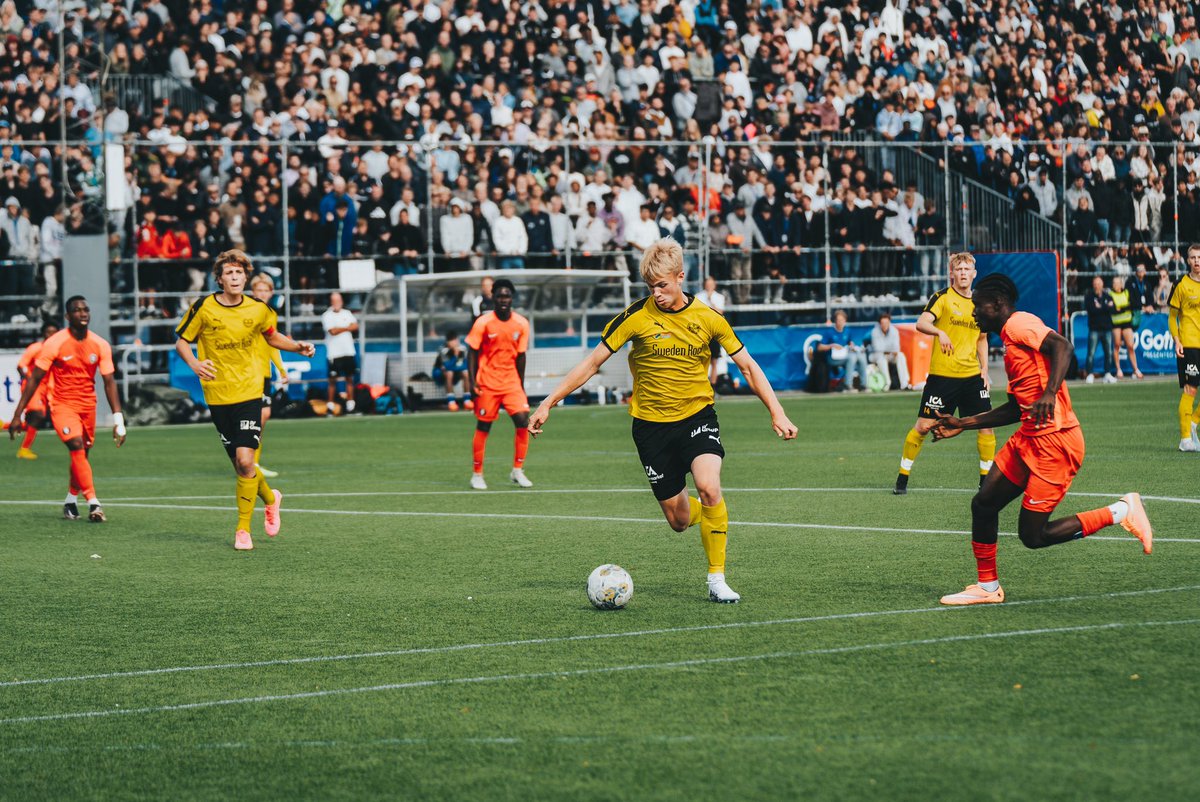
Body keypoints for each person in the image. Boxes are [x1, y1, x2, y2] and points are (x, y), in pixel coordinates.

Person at [529, 239, 798, 603]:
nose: (656, 293)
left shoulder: (708, 318)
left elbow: (748, 366)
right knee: (679, 521)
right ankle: (714, 515)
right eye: (650, 287)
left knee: (708, 486)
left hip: (697, 417)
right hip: (650, 428)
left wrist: (776, 411)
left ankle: (716, 578)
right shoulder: (635, 317)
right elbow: (592, 364)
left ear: (680, 277)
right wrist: (548, 402)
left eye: (662, 285)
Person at [930, 272, 1152, 605]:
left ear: (998, 304)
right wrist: (964, 422)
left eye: (978, 307)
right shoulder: (1008, 338)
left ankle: (1122, 511)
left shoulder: (1019, 323)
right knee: (984, 504)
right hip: (1029, 438)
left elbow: (1062, 345)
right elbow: (1016, 409)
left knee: (1033, 536)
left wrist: (1050, 393)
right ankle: (987, 588)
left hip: (1057, 444)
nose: (974, 313)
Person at [175, 250, 316, 550]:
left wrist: (297, 347)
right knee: (241, 468)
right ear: (220, 279)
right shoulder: (204, 307)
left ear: (246, 277)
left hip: (250, 391)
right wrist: (195, 364)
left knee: (245, 459)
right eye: (229, 273)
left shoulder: (258, 309)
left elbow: (272, 336)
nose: (235, 277)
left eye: (239, 273)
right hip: (217, 394)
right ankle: (270, 498)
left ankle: (243, 530)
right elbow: (182, 342)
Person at [8, 297, 125, 522]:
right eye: (76, 310)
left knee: (81, 454)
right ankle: (94, 503)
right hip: (62, 405)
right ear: (67, 316)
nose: (83, 313)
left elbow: (109, 381)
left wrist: (118, 421)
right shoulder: (55, 343)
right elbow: (34, 379)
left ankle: (71, 500)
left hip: (88, 405)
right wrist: (17, 415)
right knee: (76, 444)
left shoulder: (100, 344)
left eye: (85, 309)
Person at [894, 252, 994, 495]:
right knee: (924, 425)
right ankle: (902, 478)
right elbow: (921, 322)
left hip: (972, 376)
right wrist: (940, 332)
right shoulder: (942, 298)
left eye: (966, 269)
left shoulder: (980, 303)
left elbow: (982, 339)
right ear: (952, 273)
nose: (962, 273)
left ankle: (985, 482)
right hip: (943, 376)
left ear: (974, 274)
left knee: (986, 426)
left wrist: (985, 370)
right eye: (958, 269)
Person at [466, 278, 533, 490]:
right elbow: (472, 352)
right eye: (500, 295)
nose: (503, 299)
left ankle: (517, 470)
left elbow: (521, 356)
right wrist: (472, 382)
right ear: (493, 297)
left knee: (523, 421)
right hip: (487, 382)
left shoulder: (522, 323)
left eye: (507, 296)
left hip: (511, 382)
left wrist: (520, 385)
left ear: (512, 298)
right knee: (484, 426)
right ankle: (477, 474)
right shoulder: (483, 323)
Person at [250, 274, 288, 477]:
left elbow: (273, 343)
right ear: (253, 292)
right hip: (249, 371)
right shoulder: (246, 311)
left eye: (266, 291)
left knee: (263, 416)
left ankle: (252, 462)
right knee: (258, 416)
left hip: (264, 371)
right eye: (259, 290)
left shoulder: (271, 313)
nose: (262, 294)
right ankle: (249, 463)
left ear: (271, 293)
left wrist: (280, 369)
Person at [1169, 244, 1200, 451]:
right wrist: (1177, 340)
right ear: (1187, 260)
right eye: (1193, 257)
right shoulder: (1181, 284)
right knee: (1191, 389)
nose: (1197, 261)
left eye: (1199, 257)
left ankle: (1193, 422)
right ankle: (1185, 439)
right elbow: (1172, 317)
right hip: (1189, 344)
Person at [13, 322, 58, 459]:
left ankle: (4, 425)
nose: (51, 335)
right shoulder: (36, 348)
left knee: (32, 420)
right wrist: (29, 379)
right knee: (38, 415)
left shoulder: (57, 350)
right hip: (33, 386)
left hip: (45, 387)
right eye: (48, 332)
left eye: (54, 333)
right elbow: (21, 365)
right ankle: (24, 449)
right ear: (43, 333)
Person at [322, 291, 359, 415]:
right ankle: (331, 406)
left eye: (338, 300)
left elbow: (355, 326)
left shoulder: (347, 313)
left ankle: (350, 405)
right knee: (332, 380)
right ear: (331, 302)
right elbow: (332, 331)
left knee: (349, 378)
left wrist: (341, 328)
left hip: (348, 351)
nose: (336, 303)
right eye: (334, 300)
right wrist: (346, 327)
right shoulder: (327, 315)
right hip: (334, 353)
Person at [814, 309, 869, 392]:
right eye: (838, 320)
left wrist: (851, 345)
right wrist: (832, 345)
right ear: (835, 321)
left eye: (842, 320)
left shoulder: (847, 331)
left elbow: (849, 342)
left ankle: (864, 385)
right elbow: (819, 347)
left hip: (844, 354)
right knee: (851, 358)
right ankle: (847, 385)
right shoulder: (829, 332)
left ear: (845, 321)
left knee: (861, 356)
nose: (840, 322)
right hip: (832, 358)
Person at [1083, 275, 1117, 384]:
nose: (1097, 286)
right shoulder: (1089, 297)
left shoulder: (1108, 296)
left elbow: (1113, 309)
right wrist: (1105, 307)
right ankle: (1089, 374)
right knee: (1091, 353)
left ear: (1102, 285)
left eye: (1099, 283)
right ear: (1093, 285)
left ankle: (1107, 373)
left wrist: (1101, 307)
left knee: (1109, 353)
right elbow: (1092, 310)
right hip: (1094, 329)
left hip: (1107, 328)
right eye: (1095, 284)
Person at [1108, 275, 1143, 380]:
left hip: (1127, 322)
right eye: (1114, 283)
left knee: (1130, 346)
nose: (1116, 285)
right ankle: (1119, 369)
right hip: (1116, 323)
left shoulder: (1127, 292)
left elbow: (1133, 304)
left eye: (1118, 283)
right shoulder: (1110, 295)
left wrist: (1121, 308)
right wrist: (1123, 307)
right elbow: (1113, 309)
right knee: (1117, 345)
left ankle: (1136, 369)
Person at [695, 275, 727, 385]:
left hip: (714, 333)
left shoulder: (719, 297)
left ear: (714, 285)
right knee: (700, 361)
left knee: (714, 361)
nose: (709, 286)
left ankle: (713, 387)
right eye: (707, 284)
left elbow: (720, 313)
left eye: (711, 284)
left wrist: (710, 301)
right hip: (702, 333)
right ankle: (702, 386)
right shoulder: (698, 297)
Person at [869, 313, 910, 390]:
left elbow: (896, 348)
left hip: (890, 355)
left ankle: (905, 384)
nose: (884, 325)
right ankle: (887, 384)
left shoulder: (894, 331)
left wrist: (890, 351)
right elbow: (877, 348)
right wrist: (889, 350)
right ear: (879, 323)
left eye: (886, 323)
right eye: (883, 323)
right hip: (877, 356)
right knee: (882, 359)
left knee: (901, 356)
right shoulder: (874, 332)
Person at [434, 330, 473, 411]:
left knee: (465, 373)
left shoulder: (462, 349)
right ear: (448, 342)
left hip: (455, 371)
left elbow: (463, 365)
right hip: (439, 374)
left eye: (456, 340)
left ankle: (467, 401)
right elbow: (447, 366)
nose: (455, 343)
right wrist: (455, 355)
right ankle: (451, 402)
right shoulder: (443, 350)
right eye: (452, 341)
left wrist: (458, 365)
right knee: (449, 373)